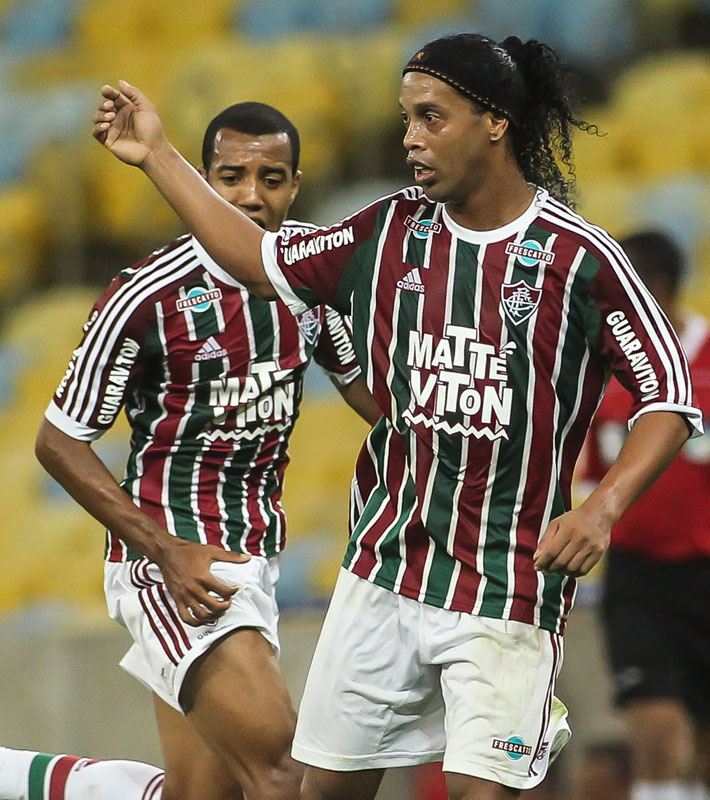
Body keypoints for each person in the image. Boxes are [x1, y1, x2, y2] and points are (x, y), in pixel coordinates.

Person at [89, 32, 702, 800]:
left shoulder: (579, 259)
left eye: (430, 117)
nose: (410, 137)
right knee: (311, 792)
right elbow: (259, 260)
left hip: (506, 589)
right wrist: (156, 156)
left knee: (481, 791)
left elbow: (668, 397)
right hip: (382, 574)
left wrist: (601, 508)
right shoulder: (388, 230)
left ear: (495, 122)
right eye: (406, 117)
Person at [0, 102, 378, 800]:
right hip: (176, 561)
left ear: (295, 186)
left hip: (255, 554)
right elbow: (58, 440)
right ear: (202, 180)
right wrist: (165, 552)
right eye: (231, 177)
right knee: (283, 771)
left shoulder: (310, 277)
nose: (250, 196)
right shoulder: (145, 295)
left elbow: (366, 392)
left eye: (271, 179)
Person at [578, 231, 710, 800]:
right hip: (638, 578)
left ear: (656, 287)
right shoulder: (607, 367)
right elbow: (587, 475)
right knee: (655, 728)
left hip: (705, 570)